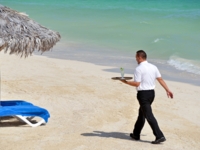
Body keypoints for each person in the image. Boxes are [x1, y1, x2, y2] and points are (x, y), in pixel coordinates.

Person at [120, 50, 173, 144]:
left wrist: (125, 82)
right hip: (152, 94)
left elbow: (137, 84)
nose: (135, 59)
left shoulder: (138, 68)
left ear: (140, 57)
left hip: (143, 95)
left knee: (148, 115)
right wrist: (167, 90)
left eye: (136, 57)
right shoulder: (153, 67)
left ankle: (159, 136)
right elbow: (160, 79)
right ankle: (136, 134)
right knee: (142, 114)